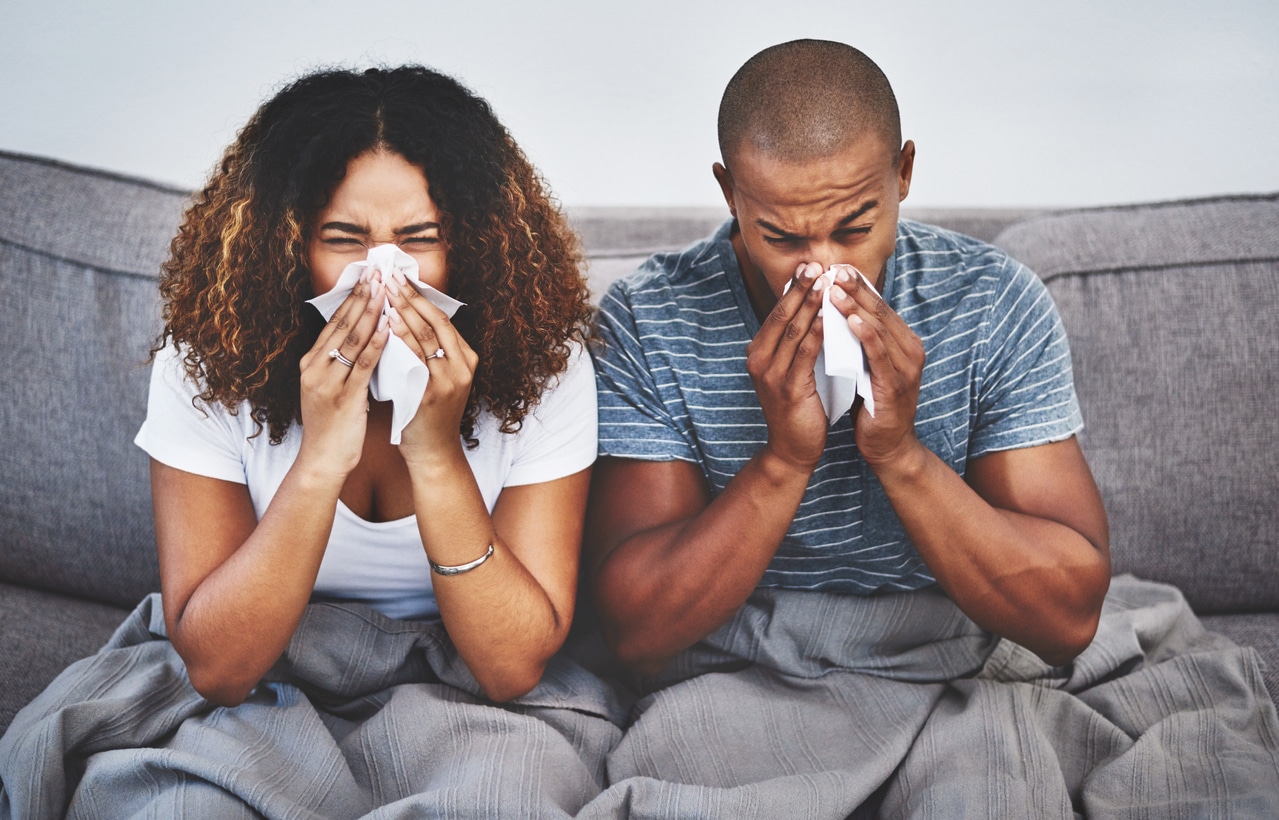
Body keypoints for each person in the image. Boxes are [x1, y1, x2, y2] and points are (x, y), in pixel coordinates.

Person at [584, 40, 1279, 816]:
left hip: (953, 649)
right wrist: (782, 461)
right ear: (728, 192)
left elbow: (1065, 620)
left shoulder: (990, 303)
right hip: (739, 668)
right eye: (778, 236)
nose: (818, 270)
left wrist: (900, 455)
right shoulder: (652, 316)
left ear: (903, 172)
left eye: (854, 227)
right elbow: (636, 632)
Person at [0, 66, 620, 818]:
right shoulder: (208, 364)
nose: (383, 276)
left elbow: (510, 665)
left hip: (461, 688)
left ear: (475, 246)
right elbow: (221, 668)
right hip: (263, 677)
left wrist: (435, 453)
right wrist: (323, 454)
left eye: (418, 240)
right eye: (344, 239)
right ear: (288, 245)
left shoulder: (546, 366)